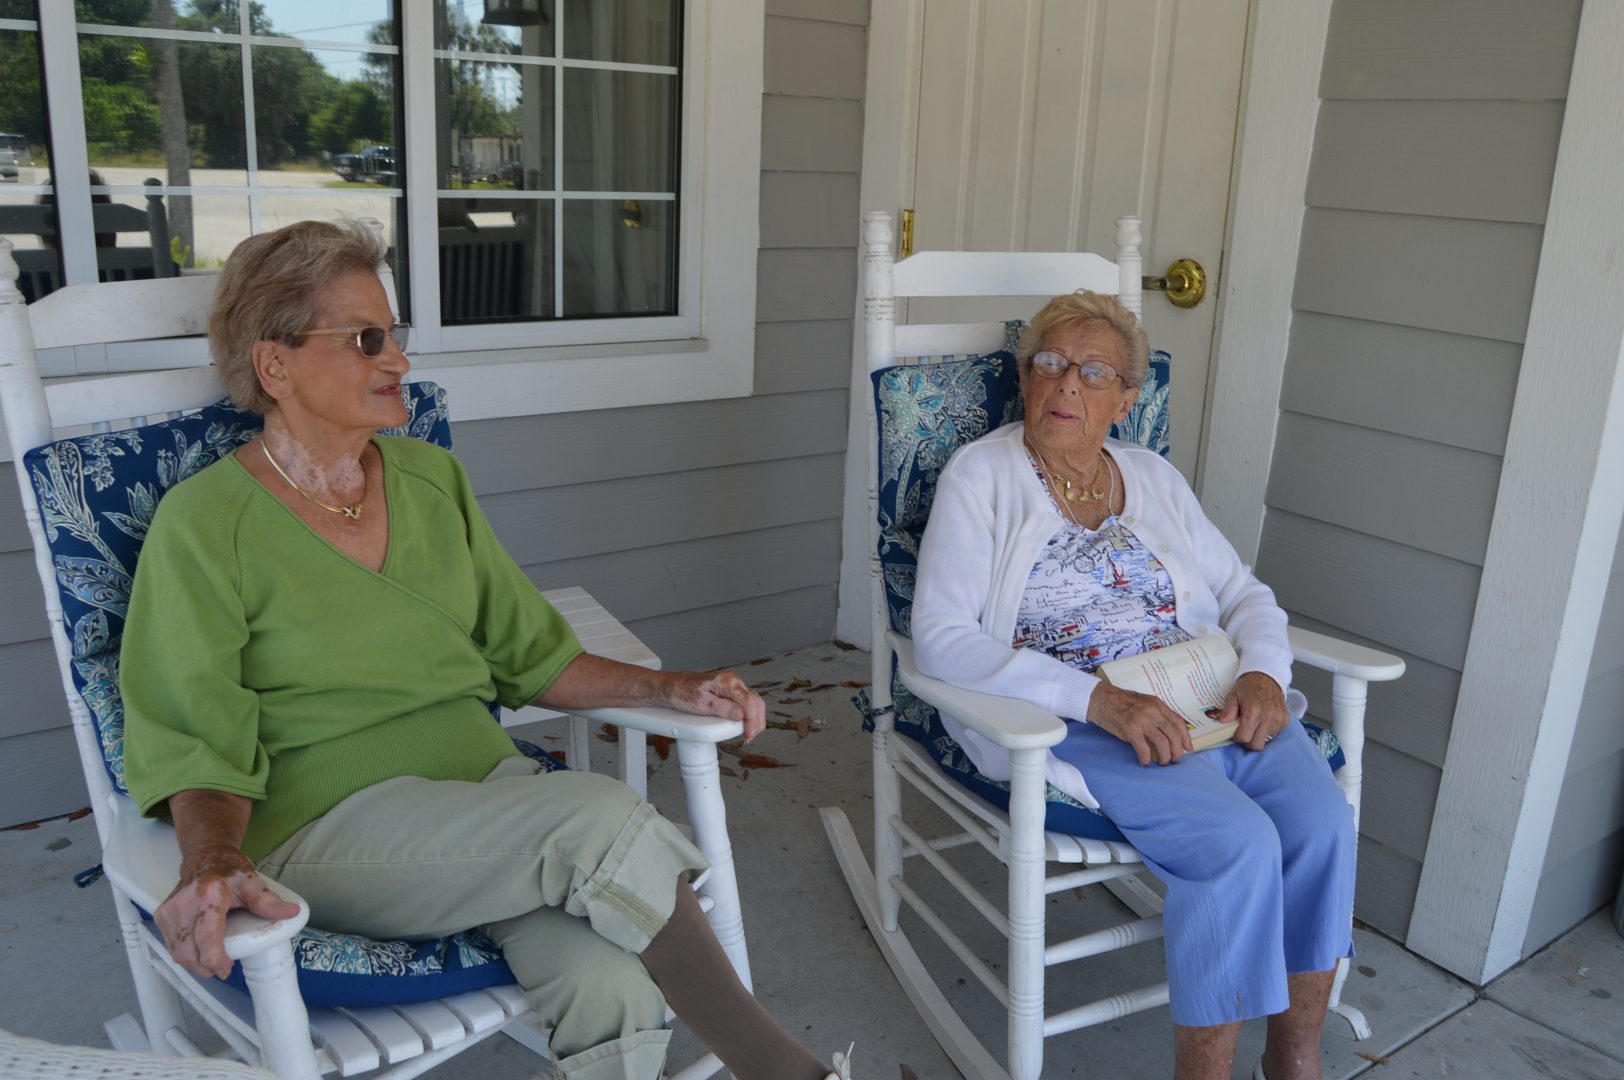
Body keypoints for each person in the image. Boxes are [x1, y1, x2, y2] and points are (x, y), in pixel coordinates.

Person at [120, 219, 856, 1080]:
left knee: (609, 978)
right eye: (366, 340)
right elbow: (193, 734)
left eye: (395, 334)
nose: (399, 360)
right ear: (275, 365)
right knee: (598, 818)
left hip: (486, 806)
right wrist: (213, 859)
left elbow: (530, 654)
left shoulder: (431, 481)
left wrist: (670, 688)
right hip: (329, 828)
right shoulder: (205, 523)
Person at [909, 291, 1355, 1080]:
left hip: (1208, 693)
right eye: (1049, 363)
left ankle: (1294, 1060)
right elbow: (941, 637)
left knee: (1321, 825)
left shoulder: (1152, 476)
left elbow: (1246, 594)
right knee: (1236, 844)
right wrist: (1097, 700)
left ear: (1125, 399)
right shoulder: (981, 476)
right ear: (1026, 377)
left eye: (1093, 372)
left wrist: (1263, 671)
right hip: (1077, 716)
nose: (1066, 384)